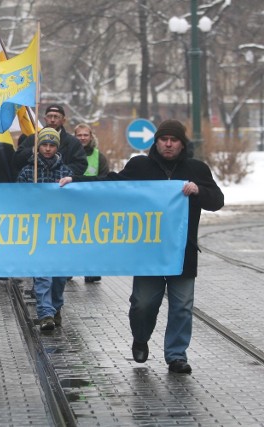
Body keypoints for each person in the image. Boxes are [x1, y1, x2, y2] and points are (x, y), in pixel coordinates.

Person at [59, 119, 224, 374]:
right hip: (149, 251)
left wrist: (199, 190)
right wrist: (77, 182)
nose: (168, 144)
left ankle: (176, 355)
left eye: (174, 140)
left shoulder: (196, 169)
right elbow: (112, 184)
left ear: (182, 144)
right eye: (163, 139)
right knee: (143, 303)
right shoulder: (140, 166)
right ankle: (140, 337)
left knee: (182, 306)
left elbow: (217, 201)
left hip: (183, 251)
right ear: (156, 142)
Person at [17, 127, 73, 331]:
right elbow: (17, 200)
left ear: (57, 147)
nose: (48, 149)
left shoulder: (65, 172)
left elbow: (73, 201)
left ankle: (56, 307)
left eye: (52, 145)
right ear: (38, 146)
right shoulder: (27, 171)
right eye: (44, 144)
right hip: (37, 230)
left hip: (59, 230)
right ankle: (45, 313)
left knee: (58, 276)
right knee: (42, 273)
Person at [74, 123, 110, 284]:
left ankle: (92, 270)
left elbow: (105, 179)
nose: (82, 138)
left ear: (91, 136)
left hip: (93, 204)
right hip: (73, 204)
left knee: (92, 239)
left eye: (85, 135)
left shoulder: (99, 157)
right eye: (79, 135)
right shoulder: (70, 154)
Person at [13, 104, 87, 176]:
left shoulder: (73, 142)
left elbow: (81, 164)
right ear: (45, 119)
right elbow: (17, 160)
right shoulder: (33, 139)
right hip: (35, 185)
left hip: (61, 185)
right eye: (49, 116)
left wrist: (61, 173)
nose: (52, 120)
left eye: (56, 117)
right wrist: (33, 150)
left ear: (63, 120)